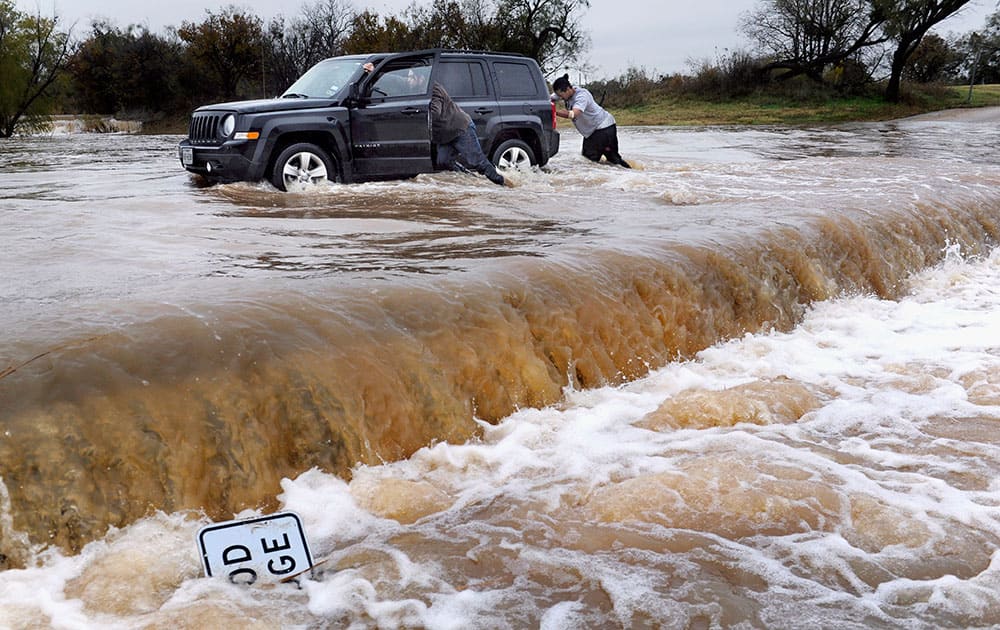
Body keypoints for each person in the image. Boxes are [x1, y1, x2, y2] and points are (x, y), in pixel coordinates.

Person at [362, 63, 507, 186]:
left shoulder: (433, 90)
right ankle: (472, 181)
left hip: (460, 129)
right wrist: (375, 71)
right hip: (445, 135)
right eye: (409, 77)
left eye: (411, 77)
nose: (408, 80)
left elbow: (435, 111)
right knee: (443, 161)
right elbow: (396, 80)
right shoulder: (418, 86)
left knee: (477, 162)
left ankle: (502, 183)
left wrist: (421, 118)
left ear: (421, 78)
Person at [551, 74, 631, 168]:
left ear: (568, 89)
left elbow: (573, 114)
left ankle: (633, 176)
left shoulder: (581, 96)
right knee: (611, 160)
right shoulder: (566, 92)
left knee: (589, 162)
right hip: (594, 131)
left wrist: (554, 111)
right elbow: (551, 97)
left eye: (561, 95)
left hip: (603, 129)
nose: (561, 98)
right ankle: (632, 175)